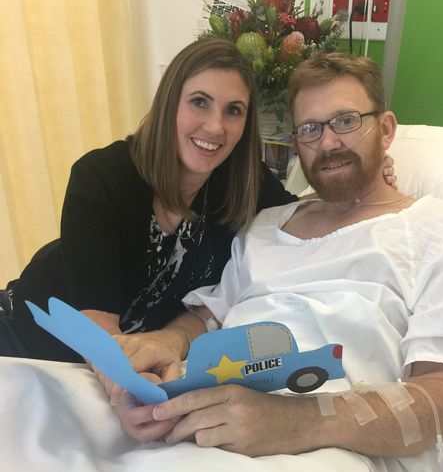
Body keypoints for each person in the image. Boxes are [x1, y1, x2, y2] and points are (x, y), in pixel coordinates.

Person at [110, 51, 443, 459]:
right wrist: (167, 343)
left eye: (346, 121)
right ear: (297, 144)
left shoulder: (440, 232)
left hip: (332, 455)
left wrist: (296, 421)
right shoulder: (264, 225)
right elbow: (209, 316)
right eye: (310, 129)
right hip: (200, 424)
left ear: (385, 130)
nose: (328, 143)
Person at [0, 38, 397, 364]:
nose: (215, 127)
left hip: (128, 361)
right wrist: (137, 391)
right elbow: (97, 329)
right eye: (199, 102)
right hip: (28, 344)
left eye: (233, 111)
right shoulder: (103, 177)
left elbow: (303, 214)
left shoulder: (242, 185)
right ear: (170, 102)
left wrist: (359, 174)